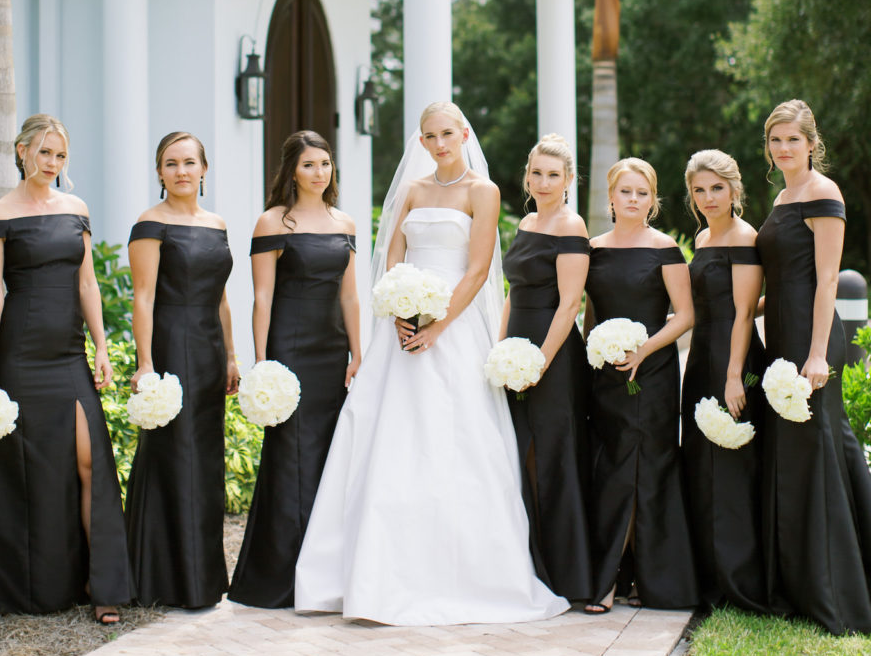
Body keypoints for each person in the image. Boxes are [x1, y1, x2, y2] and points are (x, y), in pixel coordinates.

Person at [294, 102, 568, 625]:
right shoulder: (414, 192)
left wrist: (438, 326)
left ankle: (465, 576)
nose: (440, 143)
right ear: (420, 142)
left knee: (457, 440)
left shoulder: (482, 192)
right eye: (430, 136)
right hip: (402, 332)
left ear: (464, 134)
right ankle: (370, 578)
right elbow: (393, 256)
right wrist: (400, 310)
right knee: (386, 440)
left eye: (447, 133)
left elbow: (479, 267)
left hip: (456, 329)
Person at [757, 100, 871, 634]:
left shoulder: (821, 193)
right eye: (775, 141)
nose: (783, 148)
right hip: (783, 331)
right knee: (819, 453)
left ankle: (838, 590)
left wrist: (815, 354)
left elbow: (827, 280)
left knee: (819, 453)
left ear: (812, 143)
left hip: (813, 337)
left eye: (792, 139)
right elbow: (779, 277)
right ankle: (807, 576)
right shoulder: (783, 195)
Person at [0, 115, 132, 622]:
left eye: (60, 155)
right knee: (24, 469)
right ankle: (26, 587)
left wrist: (101, 346)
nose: (52, 164)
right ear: (21, 151)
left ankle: (103, 585)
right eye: (44, 153)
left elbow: (87, 285)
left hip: (68, 353)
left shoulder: (75, 209)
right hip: (19, 352)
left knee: (89, 459)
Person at [229, 130, 360, 608]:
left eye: (325, 164)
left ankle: (325, 575)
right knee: (290, 457)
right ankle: (279, 576)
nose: (318, 173)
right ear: (292, 171)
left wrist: (357, 354)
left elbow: (349, 294)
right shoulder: (272, 222)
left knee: (328, 456)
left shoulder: (344, 221)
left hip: (332, 351)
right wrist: (262, 362)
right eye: (309, 165)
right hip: (289, 347)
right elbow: (261, 298)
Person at [124, 132, 237, 608]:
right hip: (171, 344)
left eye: (190, 162)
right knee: (173, 454)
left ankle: (204, 579)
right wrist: (146, 363)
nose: (182, 171)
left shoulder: (217, 223)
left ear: (204, 169)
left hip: (210, 349)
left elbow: (223, 298)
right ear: (159, 173)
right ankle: (164, 579)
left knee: (205, 458)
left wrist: (231, 355)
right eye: (171, 164)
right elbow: (144, 297)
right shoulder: (150, 224)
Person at [584, 157, 698, 613]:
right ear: (610, 197)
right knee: (612, 467)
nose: (633, 199)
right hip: (606, 374)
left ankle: (636, 579)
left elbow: (687, 315)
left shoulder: (665, 248)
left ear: (653, 199)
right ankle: (617, 572)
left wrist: (644, 351)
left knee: (647, 468)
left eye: (642, 192)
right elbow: (587, 310)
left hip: (651, 374)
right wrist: (598, 353)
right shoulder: (592, 248)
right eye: (625, 191)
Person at [498, 134, 592, 601]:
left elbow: (570, 303)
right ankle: (526, 566)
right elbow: (513, 290)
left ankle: (568, 576)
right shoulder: (527, 220)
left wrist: (540, 361)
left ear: (569, 180)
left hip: (551, 355)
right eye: (536, 173)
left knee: (553, 457)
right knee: (517, 456)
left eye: (553, 175)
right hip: (515, 350)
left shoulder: (572, 227)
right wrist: (500, 348)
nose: (542, 181)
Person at [680, 149, 767, 612]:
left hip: (733, 358)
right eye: (700, 190)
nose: (709, 197)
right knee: (701, 460)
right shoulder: (702, 235)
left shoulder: (744, 236)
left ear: (735, 189)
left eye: (717, 188)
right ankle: (707, 573)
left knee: (732, 465)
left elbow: (743, 313)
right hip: (700, 358)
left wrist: (734, 376)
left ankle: (737, 578)